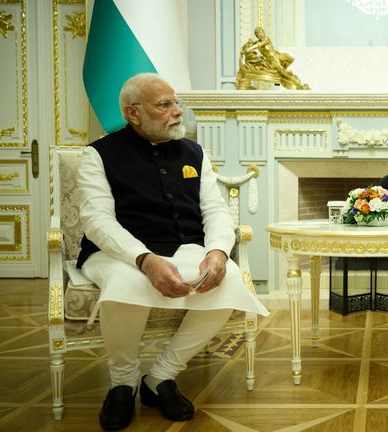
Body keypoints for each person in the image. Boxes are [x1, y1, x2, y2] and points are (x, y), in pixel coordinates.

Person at [77, 73, 269, 430]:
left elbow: (215, 210)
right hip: (117, 252)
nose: (177, 111)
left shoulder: (194, 152)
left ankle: (160, 376)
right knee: (124, 283)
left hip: (182, 247)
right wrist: (144, 260)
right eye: (164, 105)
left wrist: (217, 252)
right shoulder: (98, 155)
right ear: (133, 114)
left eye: (176, 102)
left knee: (228, 284)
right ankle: (123, 382)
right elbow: (97, 221)